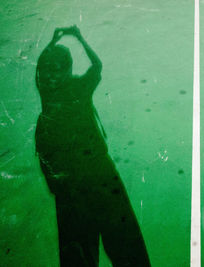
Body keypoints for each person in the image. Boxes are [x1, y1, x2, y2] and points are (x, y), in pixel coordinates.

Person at [35, 26, 150, 267]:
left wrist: (52, 40)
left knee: (77, 250)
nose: (52, 75)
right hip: (99, 174)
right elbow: (96, 66)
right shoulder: (79, 88)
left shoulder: (47, 93)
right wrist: (79, 38)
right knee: (125, 242)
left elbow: (41, 68)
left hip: (69, 185)